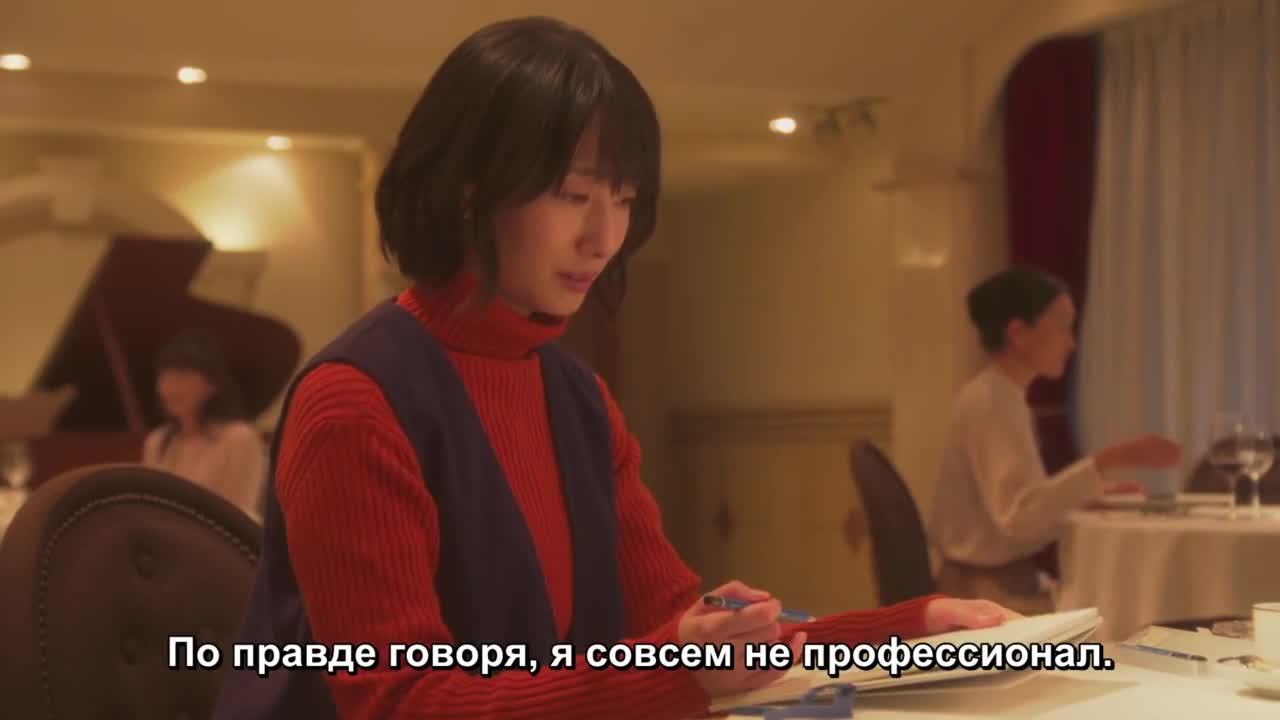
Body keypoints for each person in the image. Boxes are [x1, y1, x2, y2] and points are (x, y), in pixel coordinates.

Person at [213, 17, 1015, 720]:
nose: (605, 237)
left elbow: (670, 622)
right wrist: (680, 670)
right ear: (467, 194)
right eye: (573, 195)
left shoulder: (576, 396)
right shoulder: (356, 404)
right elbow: (402, 703)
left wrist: (907, 630)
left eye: (624, 199)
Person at [928, 267, 1183, 615]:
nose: (1071, 343)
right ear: (1019, 333)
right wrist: (1108, 461)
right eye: (1062, 326)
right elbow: (1019, 518)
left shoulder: (999, 395)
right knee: (1122, 617)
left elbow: (1021, 506)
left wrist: (1087, 495)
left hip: (997, 582)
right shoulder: (991, 402)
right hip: (984, 593)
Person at [142, 330, 267, 518]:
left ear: (211, 384)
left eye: (181, 376)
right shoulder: (156, 440)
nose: (167, 387)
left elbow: (239, 511)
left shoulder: (239, 437)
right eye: (164, 377)